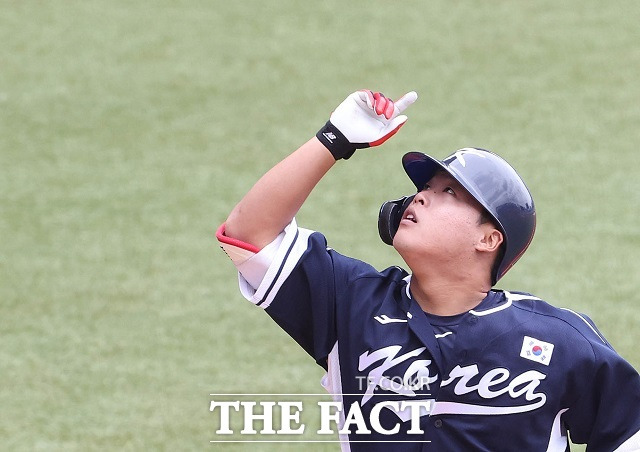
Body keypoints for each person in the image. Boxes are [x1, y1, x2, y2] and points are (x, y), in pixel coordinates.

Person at [217, 89, 640, 450]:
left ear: (488, 239)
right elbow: (249, 234)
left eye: (448, 192)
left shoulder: (558, 339)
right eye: (422, 189)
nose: (419, 198)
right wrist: (334, 138)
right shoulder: (351, 301)